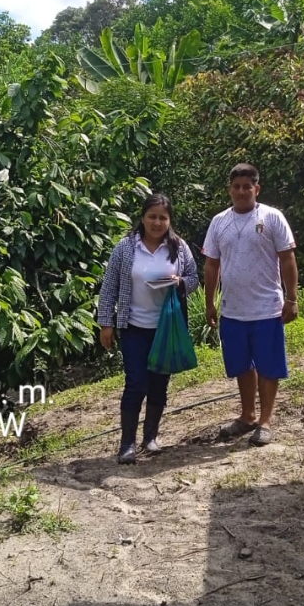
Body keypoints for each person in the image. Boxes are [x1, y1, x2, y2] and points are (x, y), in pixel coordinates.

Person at [97, 194, 199, 464]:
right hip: (134, 327)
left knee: (158, 383)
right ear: (142, 217)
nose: (157, 222)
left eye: (163, 218)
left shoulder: (179, 247)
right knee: (136, 383)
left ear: (170, 220)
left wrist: (179, 282)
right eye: (152, 216)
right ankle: (127, 444)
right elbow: (109, 287)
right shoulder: (125, 248)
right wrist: (106, 323)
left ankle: (150, 437)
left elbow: (193, 279)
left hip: (166, 328)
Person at [202, 163, 298, 447]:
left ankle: (265, 421)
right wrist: (210, 303)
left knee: (268, 366)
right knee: (242, 365)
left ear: (257, 188)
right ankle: (247, 416)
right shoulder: (219, 222)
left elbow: (288, 259)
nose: (242, 192)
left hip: (267, 308)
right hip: (232, 310)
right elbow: (211, 264)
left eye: (247, 187)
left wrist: (291, 298)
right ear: (229, 190)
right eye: (236, 187)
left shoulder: (272, 217)